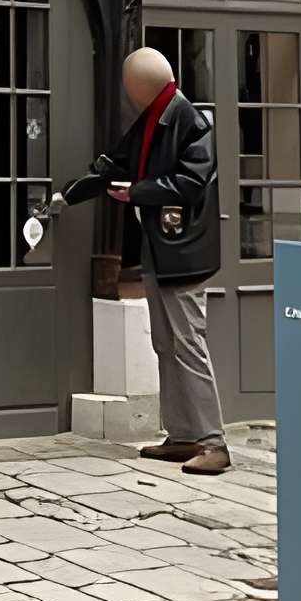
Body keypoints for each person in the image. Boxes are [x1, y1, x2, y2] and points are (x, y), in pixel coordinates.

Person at [61, 46, 227, 474]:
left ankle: (213, 442)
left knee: (189, 345)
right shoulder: (156, 115)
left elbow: (189, 183)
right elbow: (121, 159)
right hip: (161, 250)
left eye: (129, 84)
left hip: (184, 253)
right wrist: (82, 186)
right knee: (165, 344)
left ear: (141, 87)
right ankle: (183, 434)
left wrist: (135, 192)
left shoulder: (189, 119)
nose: (127, 92)